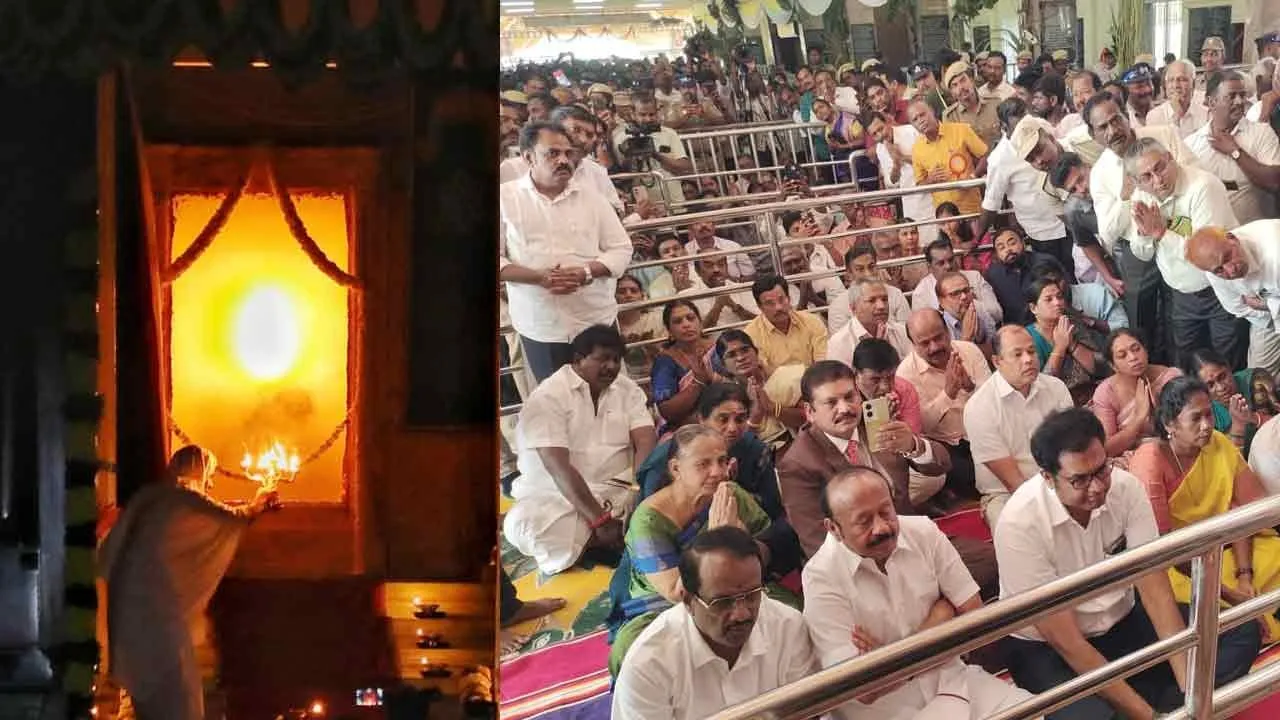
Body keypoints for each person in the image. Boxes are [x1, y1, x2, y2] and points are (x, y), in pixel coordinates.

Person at [995, 408, 1260, 720]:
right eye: (1080, 480)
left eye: (1101, 470)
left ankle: (1161, 701)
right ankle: (1147, 702)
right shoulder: (1019, 524)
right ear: (1048, 478)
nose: (1097, 487)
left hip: (1123, 620)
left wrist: (1191, 694)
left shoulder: (1125, 489)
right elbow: (1069, 643)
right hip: (1050, 650)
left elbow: (1156, 594)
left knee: (1242, 631)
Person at [802, 467, 1033, 719]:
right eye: (864, 521)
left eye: (885, 512)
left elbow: (974, 619)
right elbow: (863, 689)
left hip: (953, 681)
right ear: (833, 528)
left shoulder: (922, 531)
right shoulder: (821, 577)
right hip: (886, 712)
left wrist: (887, 660)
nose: (881, 528)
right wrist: (941, 615)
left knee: (1038, 711)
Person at [101, 446, 280, 720]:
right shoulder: (185, 498)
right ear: (198, 470)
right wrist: (259, 503)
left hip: (129, 616)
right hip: (157, 619)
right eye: (210, 475)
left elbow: (110, 550)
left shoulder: (149, 496)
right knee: (180, 698)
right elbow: (228, 518)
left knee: (155, 697)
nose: (211, 484)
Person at [607, 425, 786, 676]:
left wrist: (745, 542)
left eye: (722, 461)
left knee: (788, 614)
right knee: (636, 650)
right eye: (703, 464)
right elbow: (677, 592)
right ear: (676, 469)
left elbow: (769, 541)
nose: (718, 472)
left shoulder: (730, 493)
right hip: (668, 605)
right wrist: (717, 541)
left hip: (737, 589)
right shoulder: (647, 521)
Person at [611, 527, 822, 720]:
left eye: (752, 595)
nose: (741, 614)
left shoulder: (787, 627)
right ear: (688, 600)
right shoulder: (649, 664)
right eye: (723, 602)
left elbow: (806, 713)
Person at [1128, 377, 1280, 641]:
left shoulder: (1217, 443)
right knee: (1209, 608)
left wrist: (1245, 575)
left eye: (1209, 414)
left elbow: (1242, 511)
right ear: (1170, 424)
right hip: (1185, 567)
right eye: (1196, 418)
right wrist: (1232, 595)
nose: (1207, 425)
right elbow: (1166, 551)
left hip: (1236, 547)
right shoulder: (1150, 463)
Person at [503, 326, 657, 575]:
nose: (611, 366)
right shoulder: (548, 397)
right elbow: (557, 467)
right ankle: (612, 536)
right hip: (559, 496)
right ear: (578, 360)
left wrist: (638, 490)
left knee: (668, 475)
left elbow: (646, 439)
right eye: (603, 359)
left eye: (616, 359)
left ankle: (594, 542)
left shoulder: (626, 389)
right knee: (522, 525)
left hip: (621, 489)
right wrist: (599, 520)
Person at [500, 122, 634, 383]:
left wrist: (586, 273)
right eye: (552, 153)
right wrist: (540, 278)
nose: (563, 160)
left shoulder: (592, 198)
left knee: (607, 395)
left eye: (567, 153)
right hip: (542, 325)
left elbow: (621, 248)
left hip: (594, 319)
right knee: (557, 400)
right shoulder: (505, 198)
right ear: (528, 157)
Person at [635, 382, 802, 576]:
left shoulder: (751, 456)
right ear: (701, 419)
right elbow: (674, 584)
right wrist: (717, 540)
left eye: (740, 419)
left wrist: (742, 538)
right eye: (722, 419)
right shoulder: (665, 462)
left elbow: (772, 514)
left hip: (739, 558)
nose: (732, 428)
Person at [1125, 136, 1243, 367]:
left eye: (1160, 168)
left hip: (1220, 287)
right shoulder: (1141, 197)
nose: (1157, 180)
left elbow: (1209, 255)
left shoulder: (1203, 186)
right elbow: (1143, 254)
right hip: (1180, 295)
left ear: (1170, 158)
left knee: (1228, 361)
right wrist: (1143, 234)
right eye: (1146, 177)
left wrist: (1160, 233)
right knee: (1188, 362)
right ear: (1135, 182)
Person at [963, 325, 1073, 528]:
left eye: (1031, 351)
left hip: (1062, 479)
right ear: (997, 362)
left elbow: (1072, 448)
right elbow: (1013, 481)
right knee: (1018, 530)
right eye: (1017, 354)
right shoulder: (980, 407)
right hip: (1006, 494)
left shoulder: (1056, 388)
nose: (1028, 359)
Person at [1185, 222, 1280, 378]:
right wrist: (1271, 311)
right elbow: (1237, 308)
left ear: (1232, 239)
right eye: (1219, 270)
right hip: (1265, 320)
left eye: (1228, 257)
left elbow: (1251, 304)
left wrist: (1267, 304)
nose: (1231, 270)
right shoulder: (1212, 269)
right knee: (1259, 379)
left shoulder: (1275, 247)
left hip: (1266, 308)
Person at [1091, 329, 1182, 461]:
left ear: (1146, 350)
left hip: (1175, 451)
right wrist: (1138, 419)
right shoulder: (1106, 393)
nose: (1133, 357)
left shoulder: (1170, 378)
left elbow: (1188, 427)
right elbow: (1107, 449)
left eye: (1136, 349)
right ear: (1113, 366)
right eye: (1122, 355)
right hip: (1128, 459)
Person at [908, 99, 989, 216]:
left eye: (922, 115)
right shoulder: (917, 149)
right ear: (912, 125)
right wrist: (930, 180)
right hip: (945, 218)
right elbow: (920, 185)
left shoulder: (961, 130)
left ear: (932, 111)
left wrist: (972, 177)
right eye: (915, 119)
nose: (921, 120)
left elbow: (985, 155)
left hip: (971, 209)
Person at [651, 300, 721, 433]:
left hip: (727, 421)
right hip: (685, 430)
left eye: (690, 318)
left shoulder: (718, 349)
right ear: (669, 330)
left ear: (700, 323)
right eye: (678, 321)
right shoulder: (665, 362)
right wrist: (698, 383)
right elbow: (666, 410)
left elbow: (737, 385)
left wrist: (713, 378)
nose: (686, 324)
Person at [743, 275, 828, 375]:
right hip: (775, 384)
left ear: (789, 298)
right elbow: (764, 374)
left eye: (781, 300)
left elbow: (822, 364)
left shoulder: (812, 322)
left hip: (813, 380)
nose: (778, 307)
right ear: (759, 307)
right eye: (769, 303)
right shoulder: (751, 335)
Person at [826, 278, 912, 365]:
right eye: (872, 301)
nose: (881, 306)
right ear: (854, 308)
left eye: (884, 299)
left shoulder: (902, 332)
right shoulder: (839, 343)